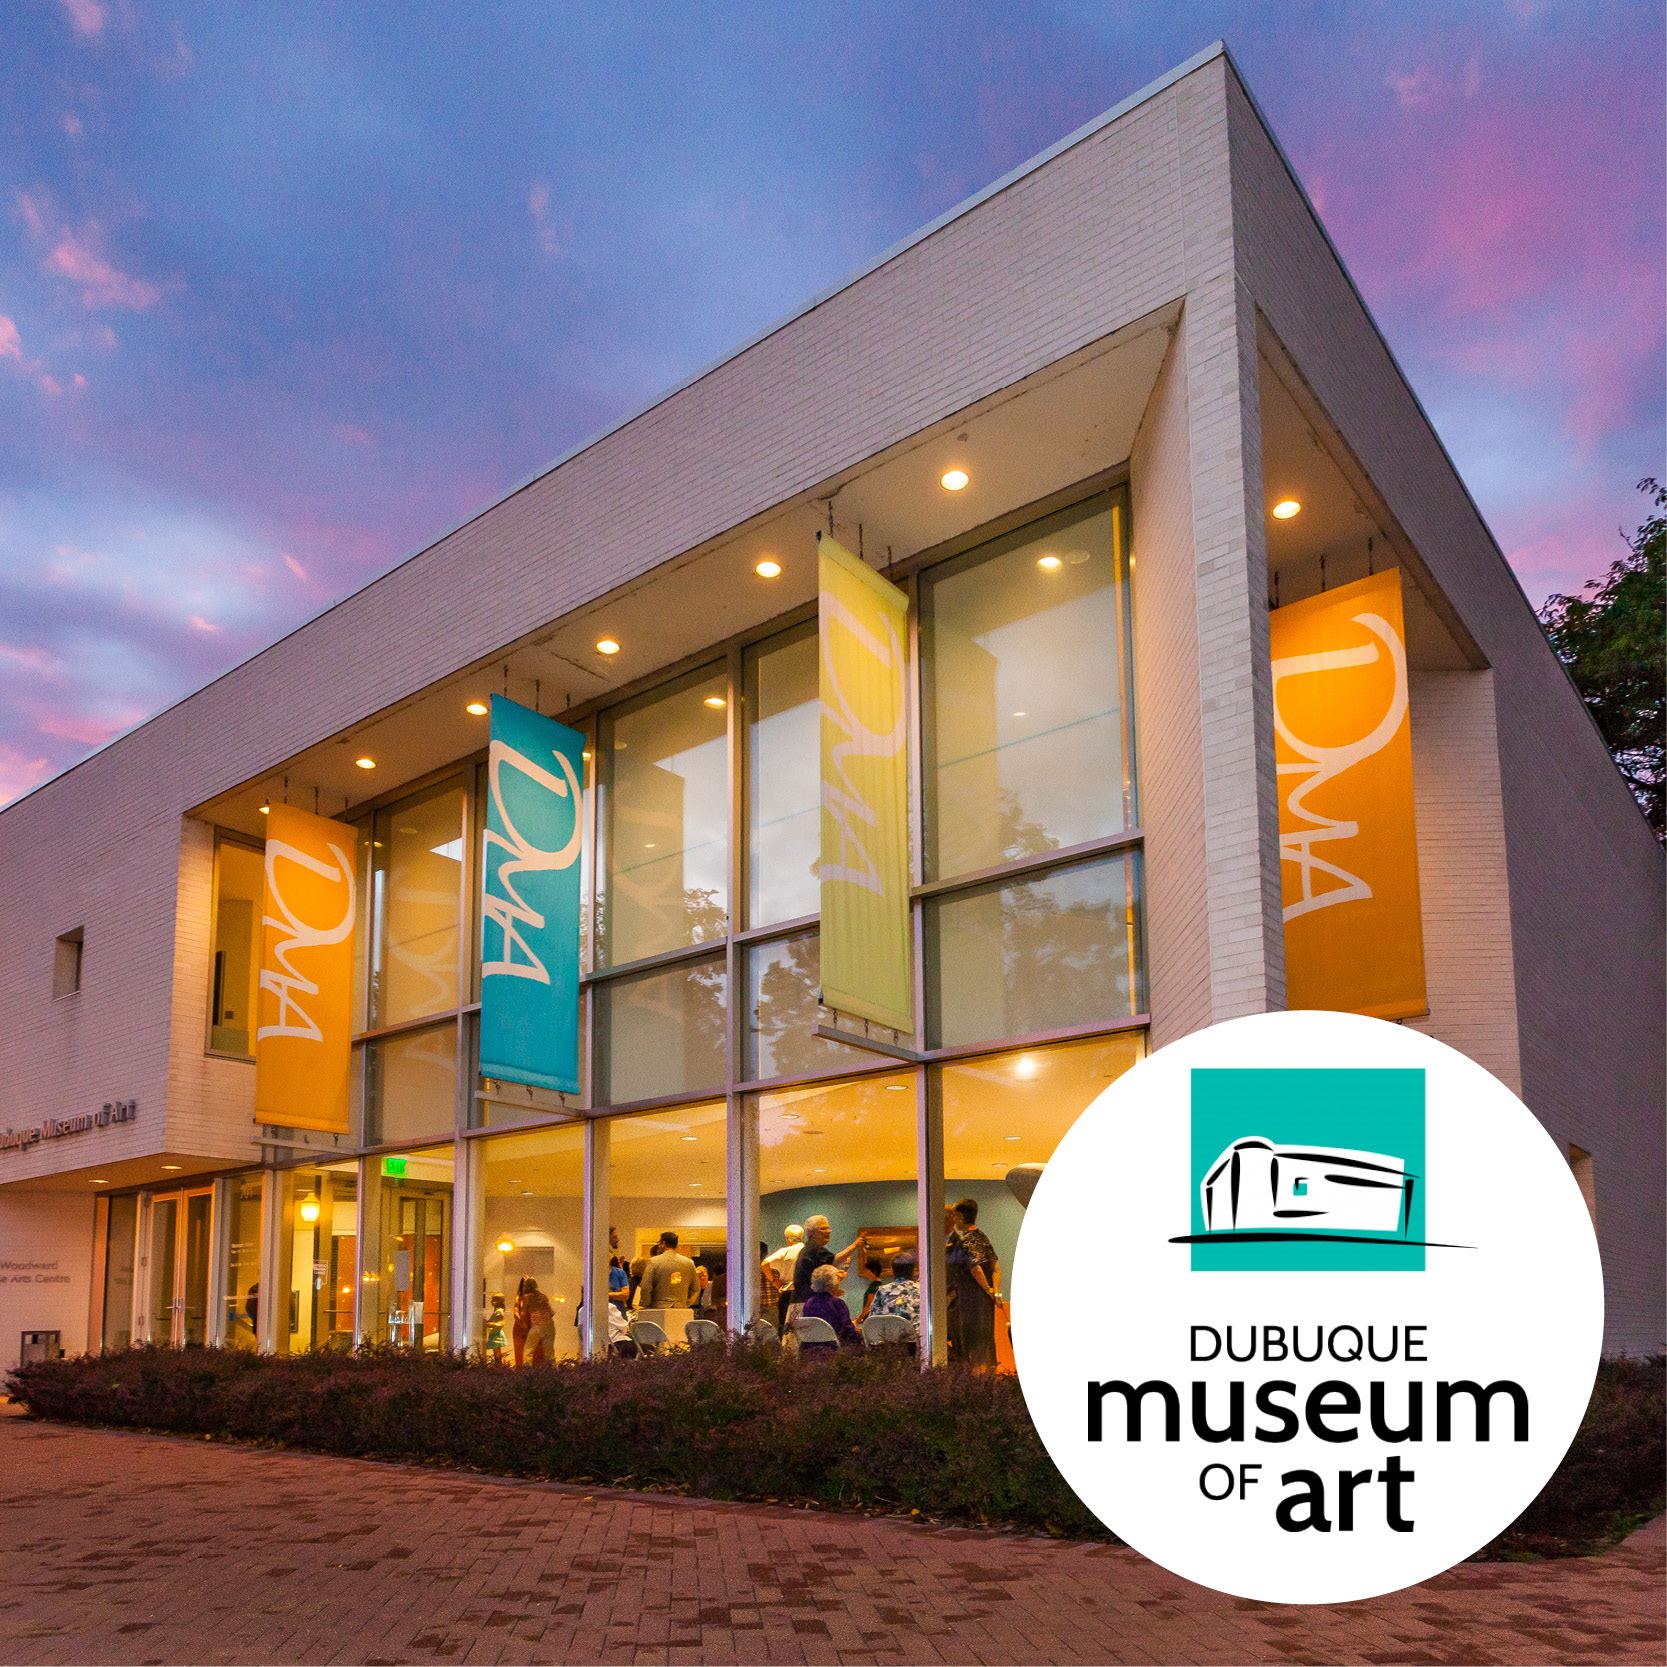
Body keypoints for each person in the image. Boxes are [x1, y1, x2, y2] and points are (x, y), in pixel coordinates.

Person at [947, 1197, 1000, 1368]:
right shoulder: (982, 1237)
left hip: (967, 1299)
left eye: (954, 1215)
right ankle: (985, 1376)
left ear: (961, 1217)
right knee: (984, 1341)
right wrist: (994, 1291)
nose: (953, 1220)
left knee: (968, 1342)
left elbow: (975, 1268)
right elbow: (996, 1267)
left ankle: (972, 1379)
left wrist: (986, 1288)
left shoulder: (965, 1241)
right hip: (984, 1300)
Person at [798, 1262, 861, 1354]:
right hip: (834, 1348)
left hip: (810, 1349)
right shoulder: (837, 1303)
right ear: (833, 1283)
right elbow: (848, 1330)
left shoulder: (808, 1303)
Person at [636, 1231, 699, 1311]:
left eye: (659, 1243)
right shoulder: (689, 1263)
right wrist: (685, 1302)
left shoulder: (653, 1261)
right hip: (681, 1308)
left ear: (663, 1243)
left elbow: (646, 1287)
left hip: (658, 1308)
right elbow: (695, 1288)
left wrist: (645, 1304)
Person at [869, 1250, 921, 1334]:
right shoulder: (922, 1290)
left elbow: (873, 1322)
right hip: (920, 1339)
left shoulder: (883, 1290)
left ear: (893, 1271)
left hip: (891, 1339)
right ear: (913, 1270)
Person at [520, 1277, 555, 1365]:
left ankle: (527, 1369)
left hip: (537, 1325)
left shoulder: (526, 1297)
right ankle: (551, 1370)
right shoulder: (543, 1296)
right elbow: (551, 1312)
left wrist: (524, 1325)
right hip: (549, 1325)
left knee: (528, 1350)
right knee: (549, 1351)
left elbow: (523, 1313)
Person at [856, 1257, 886, 1324]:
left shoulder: (874, 1286)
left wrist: (859, 1318)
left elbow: (869, 1306)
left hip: (871, 1320)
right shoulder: (879, 1285)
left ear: (874, 1271)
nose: (865, 1273)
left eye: (867, 1271)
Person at [511, 1275, 532, 1366]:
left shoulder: (533, 1297)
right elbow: (515, 1312)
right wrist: (522, 1323)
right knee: (520, 1351)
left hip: (531, 1326)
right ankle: (520, 1370)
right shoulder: (519, 1297)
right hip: (520, 1327)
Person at [485, 1293, 508, 1365]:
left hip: (497, 1333)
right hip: (494, 1333)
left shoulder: (499, 1311)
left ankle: (498, 1366)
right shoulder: (496, 1311)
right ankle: (497, 1366)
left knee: (497, 1353)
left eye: (494, 1300)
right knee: (496, 1352)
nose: (492, 1301)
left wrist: (491, 1324)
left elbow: (501, 1323)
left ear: (500, 1301)